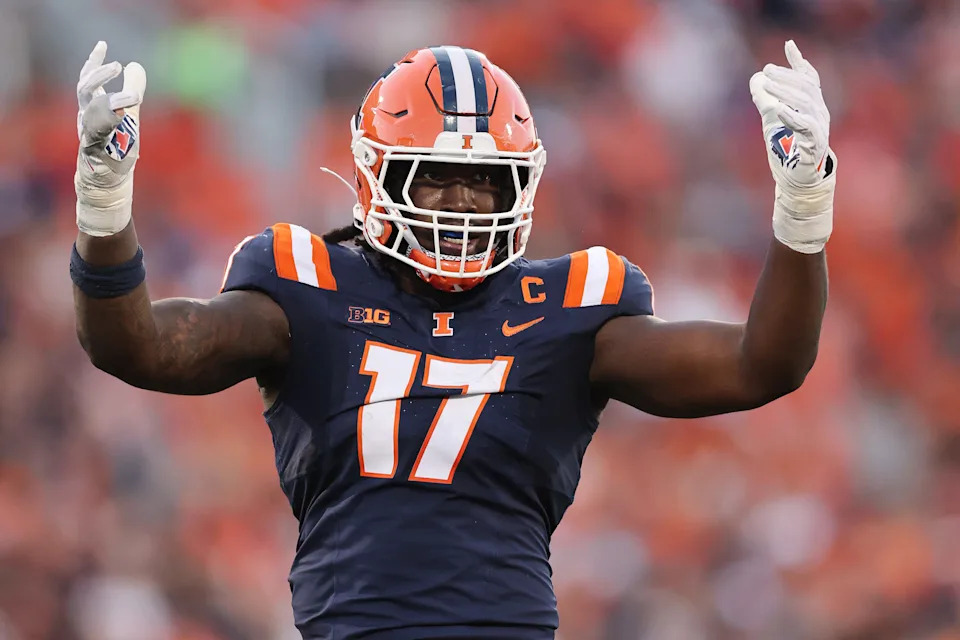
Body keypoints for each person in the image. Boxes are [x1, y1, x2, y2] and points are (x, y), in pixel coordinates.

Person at [70, 40, 836, 640]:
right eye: (437, 177)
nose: (464, 202)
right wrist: (105, 201)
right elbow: (136, 347)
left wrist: (803, 205)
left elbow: (761, 364)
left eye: (486, 182)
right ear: (378, 178)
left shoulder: (567, 308)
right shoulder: (306, 288)